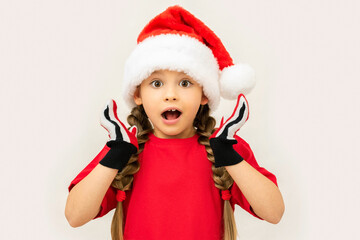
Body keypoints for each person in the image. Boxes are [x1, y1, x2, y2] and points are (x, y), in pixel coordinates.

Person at [65, 5, 285, 240]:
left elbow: (274, 212)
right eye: (157, 83)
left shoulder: (224, 148)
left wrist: (230, 156)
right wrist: (115, 155)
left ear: (204, 95)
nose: (171, 95)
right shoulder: (125, 150)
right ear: (137, 94)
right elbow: (75, 216)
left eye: (185, 83)